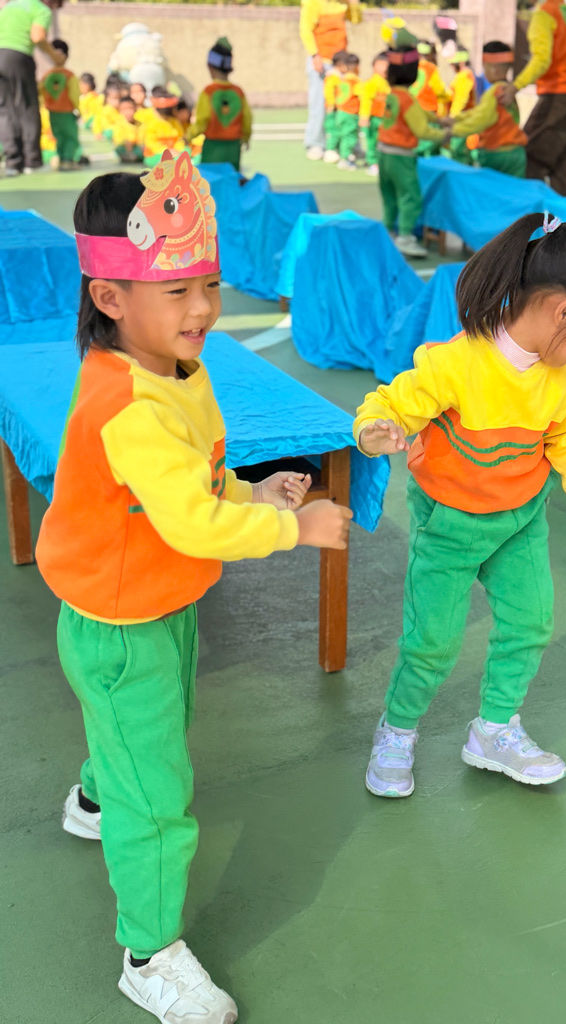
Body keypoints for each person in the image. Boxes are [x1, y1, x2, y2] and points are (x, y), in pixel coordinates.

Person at [39, 157, 352, 1023]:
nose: (205, 307)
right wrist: (295, 528)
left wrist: (253, 491)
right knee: (158, 799)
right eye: (177, 290)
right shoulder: (130, 407)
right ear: (111, 298)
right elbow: (190, 523)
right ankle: (148, 953)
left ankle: (94, 798)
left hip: (155, 600)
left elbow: (191, 487)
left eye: (209, 284)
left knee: (148, 733)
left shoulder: (172, 368)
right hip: (122, 622)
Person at [354, 212, 566, 799]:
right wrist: (376, 431)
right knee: (432, 641)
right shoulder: (457, 363)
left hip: (520, 520)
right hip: (450, 523)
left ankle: (493, 730)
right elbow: (390, 404)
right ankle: (398, 729)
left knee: (530, 622)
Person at [502, 0, 566, 196]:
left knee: (527, 158)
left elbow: (542, 59)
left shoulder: (544, 14)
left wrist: (515, 86)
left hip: (558, 98)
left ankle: (530, 214)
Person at [378, 29, 449, 258]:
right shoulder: (408, 99)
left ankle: (387, 232)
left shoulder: (393, 95)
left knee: (389, 197)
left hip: (383, 154)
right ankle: (406, 237)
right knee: (411, 196)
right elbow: (421, 130)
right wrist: (444, 134)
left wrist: (437, 119)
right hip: (401, 156)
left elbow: (419, 113)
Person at [0, 0, 65, 175]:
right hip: (18, 57)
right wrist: (54, 56)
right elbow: (38, 36)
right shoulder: (41, 9)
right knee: (27, 107)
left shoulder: (11, 6)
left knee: (5, 110)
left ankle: (13, 162)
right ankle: (32, 161)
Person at [449, 41, 527, 177]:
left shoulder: (495, 92)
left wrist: (453, 131)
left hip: (497, 153)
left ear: (493, 68)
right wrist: (457, 119)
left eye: (485, 66)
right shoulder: (509, 91)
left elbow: (481, 119)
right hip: (516, 152)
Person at [299, 0, 361, 160]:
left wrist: (354, 5)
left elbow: (356, 20)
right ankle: (315, 144)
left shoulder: (343, 3)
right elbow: (305, 30)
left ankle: (346, 145)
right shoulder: (313, 3)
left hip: (341, 63)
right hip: (321, 60)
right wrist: (314, 55)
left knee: (346, 104)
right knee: (319, 104)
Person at [191, 37, 251, 171]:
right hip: (233, 147)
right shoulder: (238, 92)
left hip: (212, 147)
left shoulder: (208, 92)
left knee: (210, 179)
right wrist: (246, 137)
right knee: (230, 178)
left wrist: (189, 136)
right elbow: (247, 118)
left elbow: (202, 120)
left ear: (209, 66)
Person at [39, 38, 81, 170]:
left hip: (52, 112)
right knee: (70, 136)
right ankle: (67, 159)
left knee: (59, 136)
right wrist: (77, 109)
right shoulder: (70, 75)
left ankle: (61, 158)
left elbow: (40, 92)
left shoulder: (46, 75)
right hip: (67, 111)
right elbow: (74, 94)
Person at [411, 40, 451, 156]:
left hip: (413, 108)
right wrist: (448, 96)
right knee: (430, 141)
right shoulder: (431, 68)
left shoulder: (411, 66)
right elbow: (438, 89)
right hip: (429, 109)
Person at [359, 51, 389, 176]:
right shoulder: (371, 83)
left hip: (387, 119)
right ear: (374, 66)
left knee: (386, 142)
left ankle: (383, 162)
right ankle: (373, 163)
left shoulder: (390, 82)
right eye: (380, 64)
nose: (384, 68)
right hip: (375, 118)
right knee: (372, 141)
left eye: (386, 65)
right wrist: (364, 117)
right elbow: (366, 101)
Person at [143, 86, 187, 166]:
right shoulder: (150, 121)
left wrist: (176, 150)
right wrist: (167, 151)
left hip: (174, 152)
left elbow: (180, 139)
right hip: (156, 154)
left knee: (186, 151)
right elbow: (151, 142)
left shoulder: (175, 122)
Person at [447, 46, 476, 164]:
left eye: (453, 64)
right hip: (466, 118)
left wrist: (453, 117)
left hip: (461, 120)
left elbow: (461, 99)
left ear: (461, 62)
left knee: (458, 151)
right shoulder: (467, 75)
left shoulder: (464, 76)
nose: (451, 67)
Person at [335, 51, 361, 170]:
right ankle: (345, 159)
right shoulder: (355, 81)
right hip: (350, 113)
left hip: (340, 112)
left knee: (343, 135)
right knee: (349, 137)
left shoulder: (342, 80)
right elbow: (362, 95)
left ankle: (344, 155)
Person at [322, 49, 347, 163]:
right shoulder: (332, 77)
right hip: (333, 109)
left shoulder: (342, 76)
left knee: (341, 129)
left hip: (341, 108)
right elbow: (329, 92)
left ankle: (340, 149)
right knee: (332, 130)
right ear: (340, 65)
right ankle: (330, 150)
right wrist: (331, 104)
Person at [112, 95, 144, 164]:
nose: (128, 112)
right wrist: (127, 142)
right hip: (125, 148)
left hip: (136, 147)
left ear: (135, 108)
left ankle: (135, 157)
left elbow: (142, 139)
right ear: (119, 110)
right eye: (124, 109)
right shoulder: (119, 124)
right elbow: (118, 140)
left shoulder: (140, 124)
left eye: (130, 108)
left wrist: (135, 142)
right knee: (119, 148)